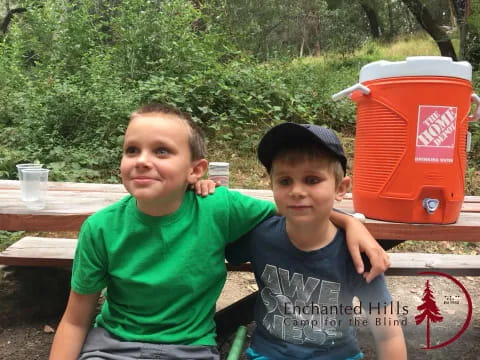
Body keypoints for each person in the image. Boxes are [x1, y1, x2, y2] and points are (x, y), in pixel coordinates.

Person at [49, 104, 389, 360]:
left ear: (195, 170)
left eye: (161, 151)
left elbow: (294, 206)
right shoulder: (100, 227)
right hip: (112, 344)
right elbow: (76, 320)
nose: (142, 160)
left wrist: (350, 222)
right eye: (131, 150)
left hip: (189, 347)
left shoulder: (218, 207)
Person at [226, 123, 407, 360]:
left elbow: (388, 333)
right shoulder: (260, 234)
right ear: (272, 186)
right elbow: (215, 238)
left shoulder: (356, 254)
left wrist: (350, 222)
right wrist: (200, 187)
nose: (297, 191)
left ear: (340, 188)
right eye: (285, 181)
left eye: (312, 180)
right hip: (268, 354)